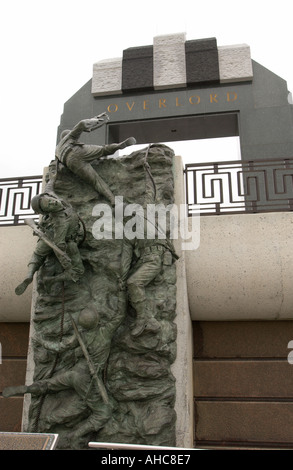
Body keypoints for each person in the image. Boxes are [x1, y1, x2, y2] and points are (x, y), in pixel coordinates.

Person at [3, 290, 127, 449]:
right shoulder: (105, 332)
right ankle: (77, 435)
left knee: (48, 385)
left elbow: (60, 347)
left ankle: (27, 388)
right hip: (86, 379)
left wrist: (42, 341)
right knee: (103, 413)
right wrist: (122, 293)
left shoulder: (81, 336)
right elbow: (119, 315)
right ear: (96, 321)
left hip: (74, 372)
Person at [120, 147, 178, 337]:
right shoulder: (130, 231)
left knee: (134, 283)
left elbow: (149, 188)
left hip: (156, 257)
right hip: (145, 259)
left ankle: (146, 319)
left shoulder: (146, 211)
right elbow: (127, 258)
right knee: (130, 283)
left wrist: (147, 170)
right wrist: (120, 277)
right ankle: (147, 320)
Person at [55, 113, 136, 205]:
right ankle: (118, 146)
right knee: (103, 150)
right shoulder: (69, 137)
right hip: (77, 150)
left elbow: (58, 166)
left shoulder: (57, 151)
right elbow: (81, 124)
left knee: (96, 181)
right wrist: (96, 120)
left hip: (71, 163)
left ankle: (112, 200)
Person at [15, 191, 85, 295]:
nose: (53, 202)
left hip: (48, 233)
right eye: (49, 205)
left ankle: (30, 274)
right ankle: (48, 279)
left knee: (37, 255)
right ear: (47, 211)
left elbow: (49, 188)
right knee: (78, 272)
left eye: (49, 200)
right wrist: (67, 265)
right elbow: (59, 247)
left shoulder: (56, 199)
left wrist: (52, 179)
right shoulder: (60, 222)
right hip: (63, 240)